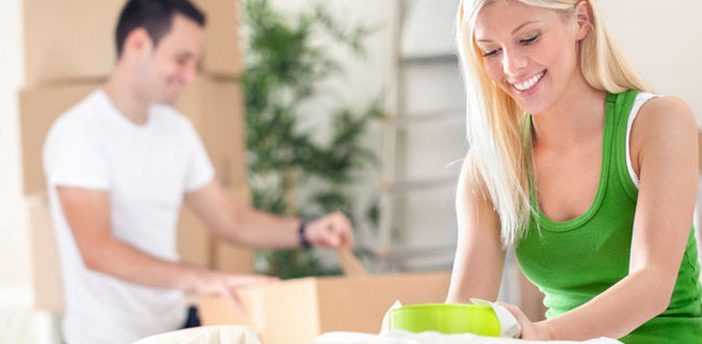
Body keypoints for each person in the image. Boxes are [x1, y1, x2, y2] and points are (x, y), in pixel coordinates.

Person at [42, 0, 354, 343]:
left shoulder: (177, 131)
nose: (190, 76)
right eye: (181, 59)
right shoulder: (79, 134)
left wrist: (308, 231)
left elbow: (230, 220)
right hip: (108, 336)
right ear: (138, 44)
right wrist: (202, 279)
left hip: (171, 327)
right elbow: (97, 250)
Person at [445, 0, 702, 342]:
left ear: (581, 19)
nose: (512, 66)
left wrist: (544, 334)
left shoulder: (658, 123)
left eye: (529, 38)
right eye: (491, 51)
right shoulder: (489, 168)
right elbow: (464, 313)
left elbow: (652, 283)